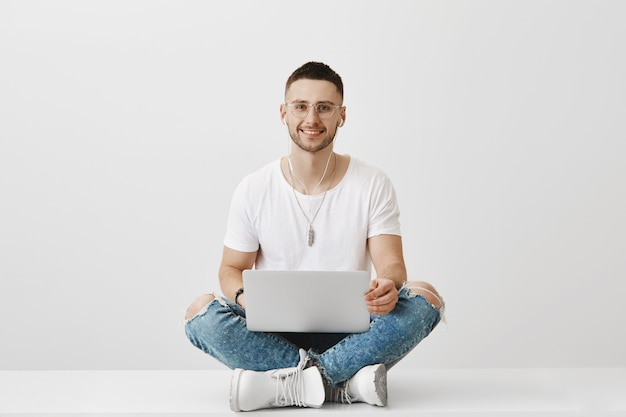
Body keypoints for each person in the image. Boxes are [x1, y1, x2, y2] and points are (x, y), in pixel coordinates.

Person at [183, 61, 445, 412]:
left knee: (426, 298)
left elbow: (392, 266)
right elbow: (231, 268)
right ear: (283, 112)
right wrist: (246, 298)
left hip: (352, 332)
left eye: (324, 108)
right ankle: (343, 384)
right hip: (271, 332)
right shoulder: (254, 187)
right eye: (301, 106)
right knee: (200, 314)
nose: (312, 119)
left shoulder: (372, 182)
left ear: (342, 115)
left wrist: (389, 286)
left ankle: (286, 385)